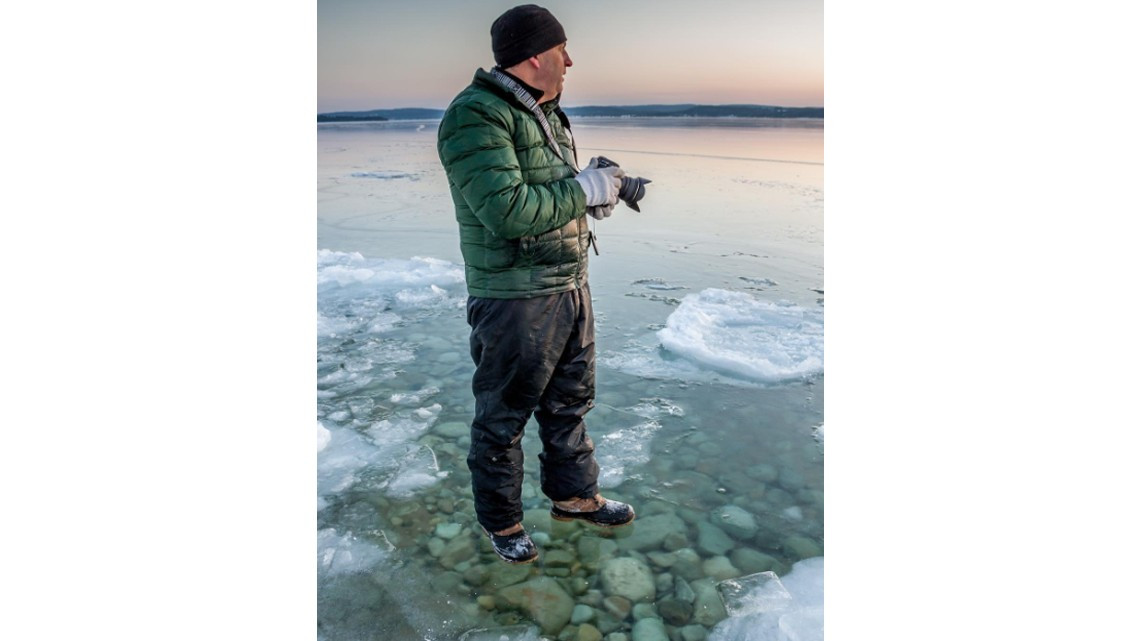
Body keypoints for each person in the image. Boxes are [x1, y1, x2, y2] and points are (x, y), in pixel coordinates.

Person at [436, 4, 636, 564]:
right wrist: (584, 190)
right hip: (515, 297)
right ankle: (502, 523)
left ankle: (574, 496)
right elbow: (507, 211)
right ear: (533, 57)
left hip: (570, 283)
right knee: (503, 416)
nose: (570, 61)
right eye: (561, 50)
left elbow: (551, 192)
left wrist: (604, 191)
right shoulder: (477, 115)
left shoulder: (547, 113)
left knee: (570, 403)